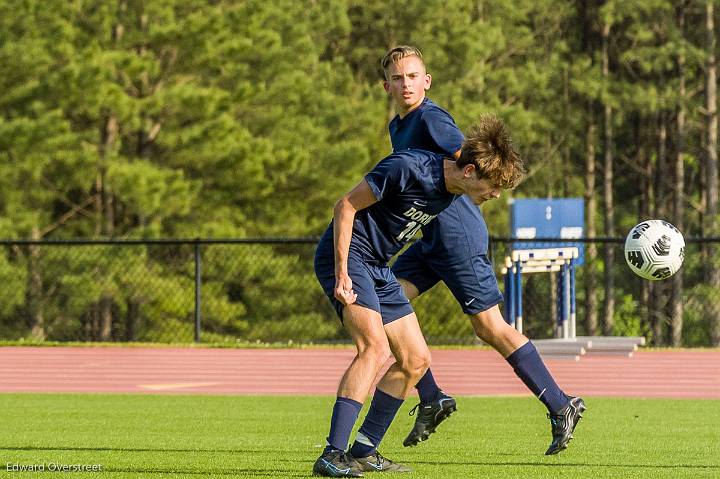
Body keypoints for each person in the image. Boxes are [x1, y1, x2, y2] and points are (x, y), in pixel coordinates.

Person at [347, 45, 585, 456]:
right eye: (398, 77)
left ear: (427, 80)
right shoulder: (398, 125)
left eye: (412, 76)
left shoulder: (432, 118)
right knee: (390, 304)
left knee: (488, 327)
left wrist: (486, 186)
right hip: (428, 234)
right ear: (386, 84)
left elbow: (472, 164)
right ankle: (433, 394)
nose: (405, 84)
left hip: (457, 234)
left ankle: (561, 404)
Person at [312, 115, 525, 477]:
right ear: (470, 171)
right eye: (494, 186)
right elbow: (345, 206)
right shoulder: (408, 168)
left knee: (415, 360)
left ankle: (364, 450)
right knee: (374, 348)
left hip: (377, 266)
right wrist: (343, 270)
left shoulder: (451, 192)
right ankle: (332, 454)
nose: (496, 195)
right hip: (351, 259)